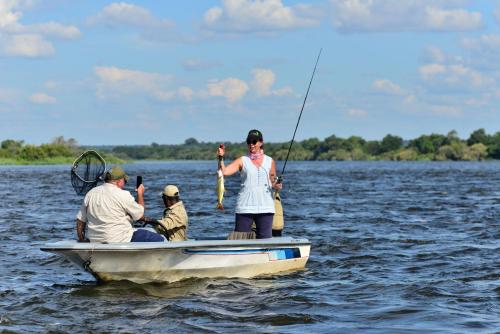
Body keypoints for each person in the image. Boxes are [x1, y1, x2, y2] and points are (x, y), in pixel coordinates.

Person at [217, 129, 282, 239]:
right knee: (240, 241)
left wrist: (277, 185)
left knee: (265, 242)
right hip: (245, 208)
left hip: (265, 208)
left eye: (254, 141)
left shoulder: (270, 161)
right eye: (249, 142)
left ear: (261, 142)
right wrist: (220, 158)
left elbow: (273, 181)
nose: (251, 145)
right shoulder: (243, 160)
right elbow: (224, 172)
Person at [75, 166, 164, 243]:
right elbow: (140, 215)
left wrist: (82, 239)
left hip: (95, 240)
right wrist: (140, 194)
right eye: (124, 181)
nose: (124, 183)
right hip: (120, 239)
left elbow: (80, 220)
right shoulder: (123, 194)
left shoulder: (91, 193)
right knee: (160, 239)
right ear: (119, 181)